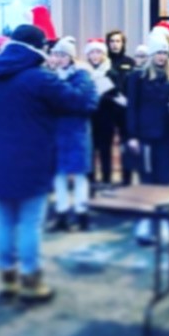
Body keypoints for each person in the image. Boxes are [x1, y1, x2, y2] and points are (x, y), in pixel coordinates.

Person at [0, 24, 96, 303]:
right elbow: (79, 103)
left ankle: (8, 279)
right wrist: (85, 77)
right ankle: (30, 281)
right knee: (29, 223)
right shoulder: (39, 79)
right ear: (37, 47)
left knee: (4, 220)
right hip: (33, 160)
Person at [47, 37, 99, 232]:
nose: (59, 59)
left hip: (77, 132)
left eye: (63, 55)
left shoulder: (83, 77)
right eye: (56, 54)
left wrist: (65, 103)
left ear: (71, 57)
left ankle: (81, 213)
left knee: (79, 176)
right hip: (57, 132)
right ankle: (61, 213)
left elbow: (89, 103)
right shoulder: (49, 78)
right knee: (58, 175)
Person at [125, 33, 169, 185]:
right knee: (147, 176)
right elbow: (132, 107)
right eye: (159, 53)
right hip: (145, 134)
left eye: (165, 53)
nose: (162, 57)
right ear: (152, 54)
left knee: (165, 176)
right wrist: (132, 135)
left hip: (165, 135)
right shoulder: (138, 77)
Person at [84, 37, 117, 185]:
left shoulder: (111, 72)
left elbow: (117, 94)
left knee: (105, 150)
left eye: (99, 52)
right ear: (88, 55)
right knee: (90, 150)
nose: (96, 56)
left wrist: (104, 95)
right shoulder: (84, 72)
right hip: (89, 116)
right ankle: (90, 180)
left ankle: (106, 179)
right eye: (92, 52)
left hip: (106, 116)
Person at [105, 29, 136, 185]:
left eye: (118, 41)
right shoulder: (104, 62)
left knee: (126, 146)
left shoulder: (130, 63)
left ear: (123, 43)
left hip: (125, 110)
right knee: (105, 146)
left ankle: (127, 179)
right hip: (107, 110)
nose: (115, 44)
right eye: (112, 41)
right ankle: (106, 179)